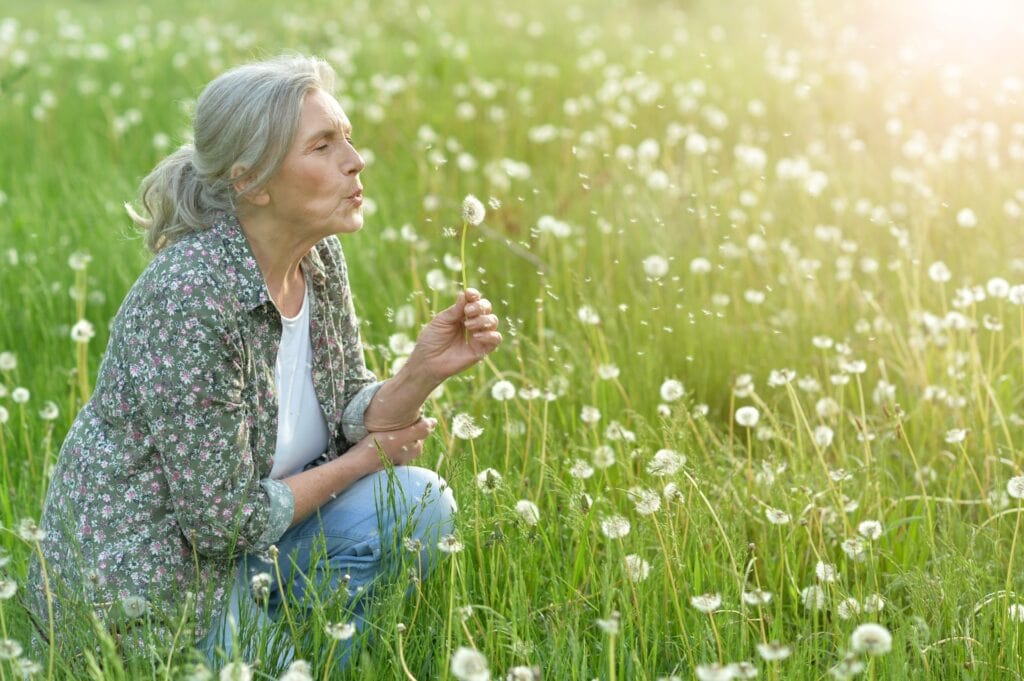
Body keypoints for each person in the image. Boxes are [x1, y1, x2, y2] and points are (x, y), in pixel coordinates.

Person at [24, 54, 502, 671]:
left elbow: (348, 405)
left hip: (255, 546)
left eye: (347, 140)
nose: (355, 162)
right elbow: (222, 524)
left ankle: (306, 650)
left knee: (420, 502)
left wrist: (422, 372)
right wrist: (366, 459)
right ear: (253, 182)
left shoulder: (318, 257)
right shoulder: (190, 296)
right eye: (323, 146)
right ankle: (258, 649)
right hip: (153, 580)